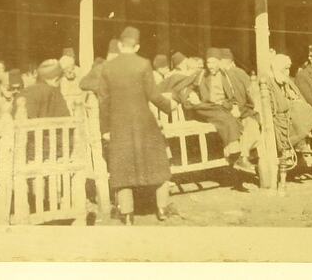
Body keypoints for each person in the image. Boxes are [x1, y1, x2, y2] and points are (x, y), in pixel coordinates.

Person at [98, 26, 175, 225]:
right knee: (157, 164)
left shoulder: (107, 67)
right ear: (137, 46)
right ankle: (162, 209)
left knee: (123, 168)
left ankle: (128, 215)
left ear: (120, 45)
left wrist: (105, 129)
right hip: (144, 123)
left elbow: (104, 101)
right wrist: (170, 106)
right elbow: (153, 95)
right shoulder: (143, 64)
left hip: (119, 124)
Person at [175, 48, 249, 171]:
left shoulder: (226, 75)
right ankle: (235, 152)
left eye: (214, 62)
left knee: (231, 118)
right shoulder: (201, 74)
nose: (210, 66)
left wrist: (234, 105)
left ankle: (233, 152)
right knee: (225, 117)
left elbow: (233, 95)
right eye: (208, 63)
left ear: (220, 62)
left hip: (221, 107)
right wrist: (191, 94)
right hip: (204, 107)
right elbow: (184, 87)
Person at [267, 53, 312, 168]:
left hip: (290, 110)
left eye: (288, 69)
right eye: (285, 69)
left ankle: (300, 143)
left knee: (303, 107)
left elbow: (298, 95)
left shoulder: (286, 80)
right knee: (297, 109)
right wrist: (291, 102)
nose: (287, 72)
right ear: (277, 68)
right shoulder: (270, 81)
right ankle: (299, 143)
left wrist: (295, 98)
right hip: (279, 112)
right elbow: (275, 104)